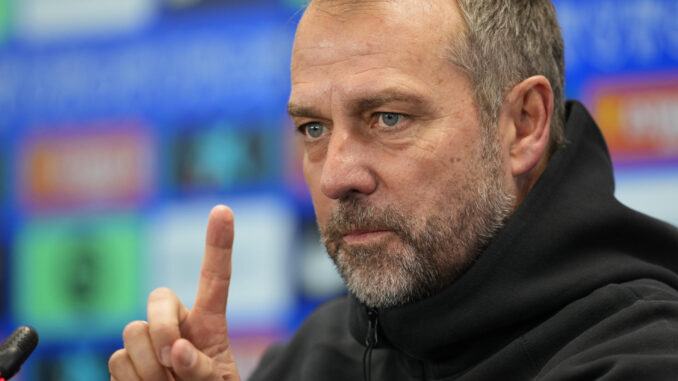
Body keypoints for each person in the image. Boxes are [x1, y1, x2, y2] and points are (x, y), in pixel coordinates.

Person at [108, 0, 678, 380]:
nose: (336, 177)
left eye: (387, 118)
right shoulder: (312, 357)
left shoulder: (641, 356)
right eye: (314, 128)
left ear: (523, 124)